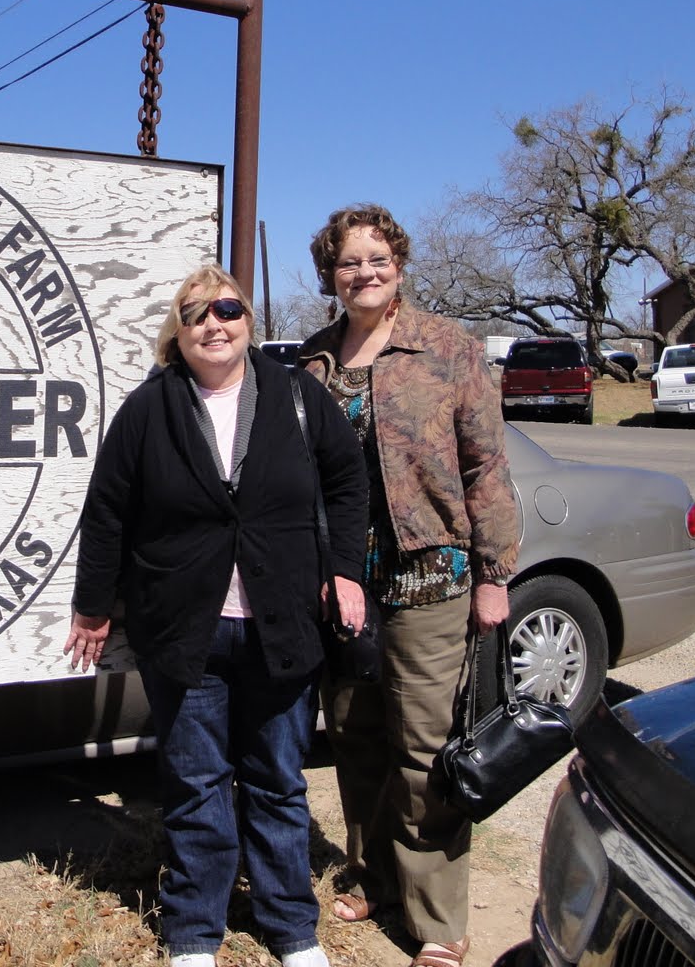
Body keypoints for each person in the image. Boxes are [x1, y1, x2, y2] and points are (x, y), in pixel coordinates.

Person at [64, 263, 368, 967]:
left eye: (227, 309)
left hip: (281, 625)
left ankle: (291, 926)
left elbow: (347, 481)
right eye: (197, 312)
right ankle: (194, 929)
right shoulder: (150, 408)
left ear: (249, 323)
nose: (214, 323)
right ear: (180, 329)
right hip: (186, 629)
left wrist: (346, 573)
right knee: (197, 781)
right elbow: (107, 508)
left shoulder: (296, 395)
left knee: (277, 782)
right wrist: (92, 606)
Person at [297, 205, 520, 967]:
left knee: (425, 751)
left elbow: (487, 464)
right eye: (349, 261)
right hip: (343, 587)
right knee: (355, 737)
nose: (364, 272)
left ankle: (437, 918)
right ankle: (373, 877)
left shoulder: (448, 347)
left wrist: (494, 573)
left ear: (399, 265)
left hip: (429, 579)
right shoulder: (314, 360)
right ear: (331, 272)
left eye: (377, 258)